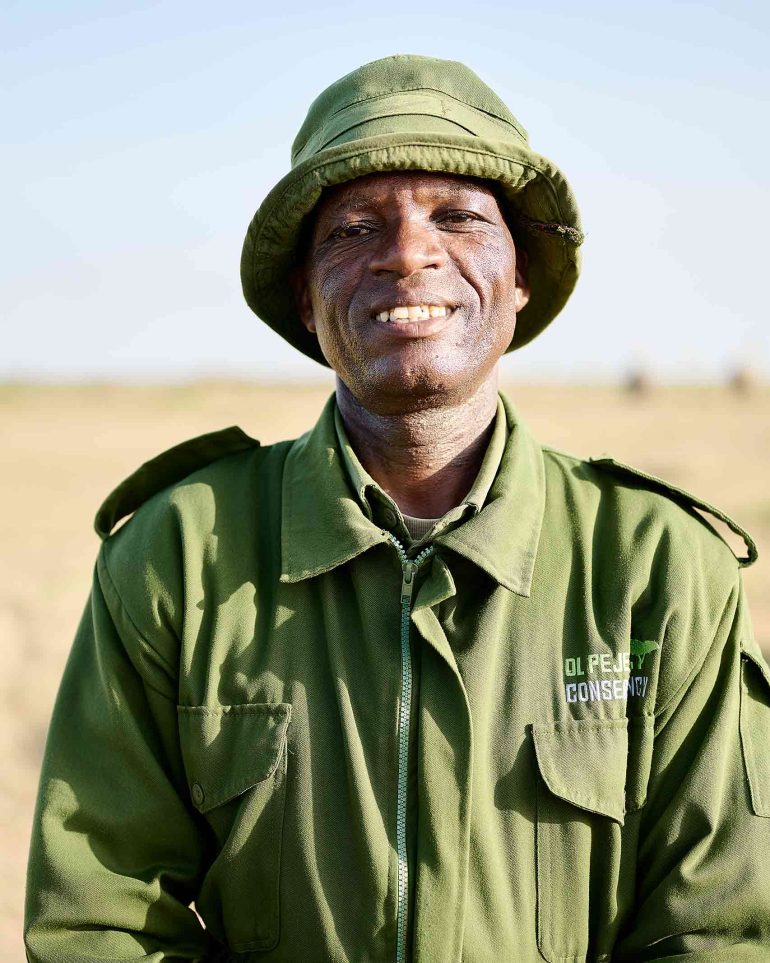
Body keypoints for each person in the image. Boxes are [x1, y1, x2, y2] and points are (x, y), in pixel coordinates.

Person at [24, 54, 770, 962]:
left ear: (520, 275)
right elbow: (101, 920)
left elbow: (719, 930)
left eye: (457, 216)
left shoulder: (659, 567)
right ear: (306, 296)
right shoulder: (177, 553)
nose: (409, 253)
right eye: (353, 228)